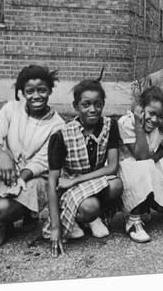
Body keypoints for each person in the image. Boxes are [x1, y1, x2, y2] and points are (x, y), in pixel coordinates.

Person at [0, 65, 65, 251]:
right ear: (22, 92)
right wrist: (2, 155)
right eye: (30, 91)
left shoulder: (58, 125)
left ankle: (26, 213)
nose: (36, 96)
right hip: (6, 169)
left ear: (49, 90)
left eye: (42, 90)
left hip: (33, 176)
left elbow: (42, 160)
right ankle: (2, 227)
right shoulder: (10, 110)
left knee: (4, 209)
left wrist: (20, 179)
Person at [45, 78, 123, 257]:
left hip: (90, 180)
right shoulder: (62, 135)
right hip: (70, 187)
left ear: (103, 105)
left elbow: (112, 167)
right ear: (76, 106)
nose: (93, 110)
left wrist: (78, 179)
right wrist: (56, 228)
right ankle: (86, 218)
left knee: (117, 185)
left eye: (98, 104)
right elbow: (52, 182)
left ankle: (95, 218)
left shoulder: (110, 126)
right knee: (90, 206)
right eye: (86, 104)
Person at [118, 86, 163, 243]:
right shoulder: (127, 122)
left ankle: (144, 206)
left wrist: (154, 159)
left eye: (160, 115)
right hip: (125, 168)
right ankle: (133, 221)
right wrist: (138, 125)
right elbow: (140, 156)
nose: (155, 120)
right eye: (151, 113)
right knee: (141, 166)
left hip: (145, 167)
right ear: (141, 108)